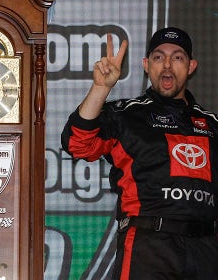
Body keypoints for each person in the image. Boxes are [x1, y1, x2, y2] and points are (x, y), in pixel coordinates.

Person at [61, 27, 218, 279]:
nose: (167, 64)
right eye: (158, 57)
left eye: (177, 57)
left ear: (191, 66)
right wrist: (101, 88)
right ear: (146, 65)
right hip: (148, 246)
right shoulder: (126, 115)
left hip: (206, 250)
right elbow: (77, 144)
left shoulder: (212, 125)